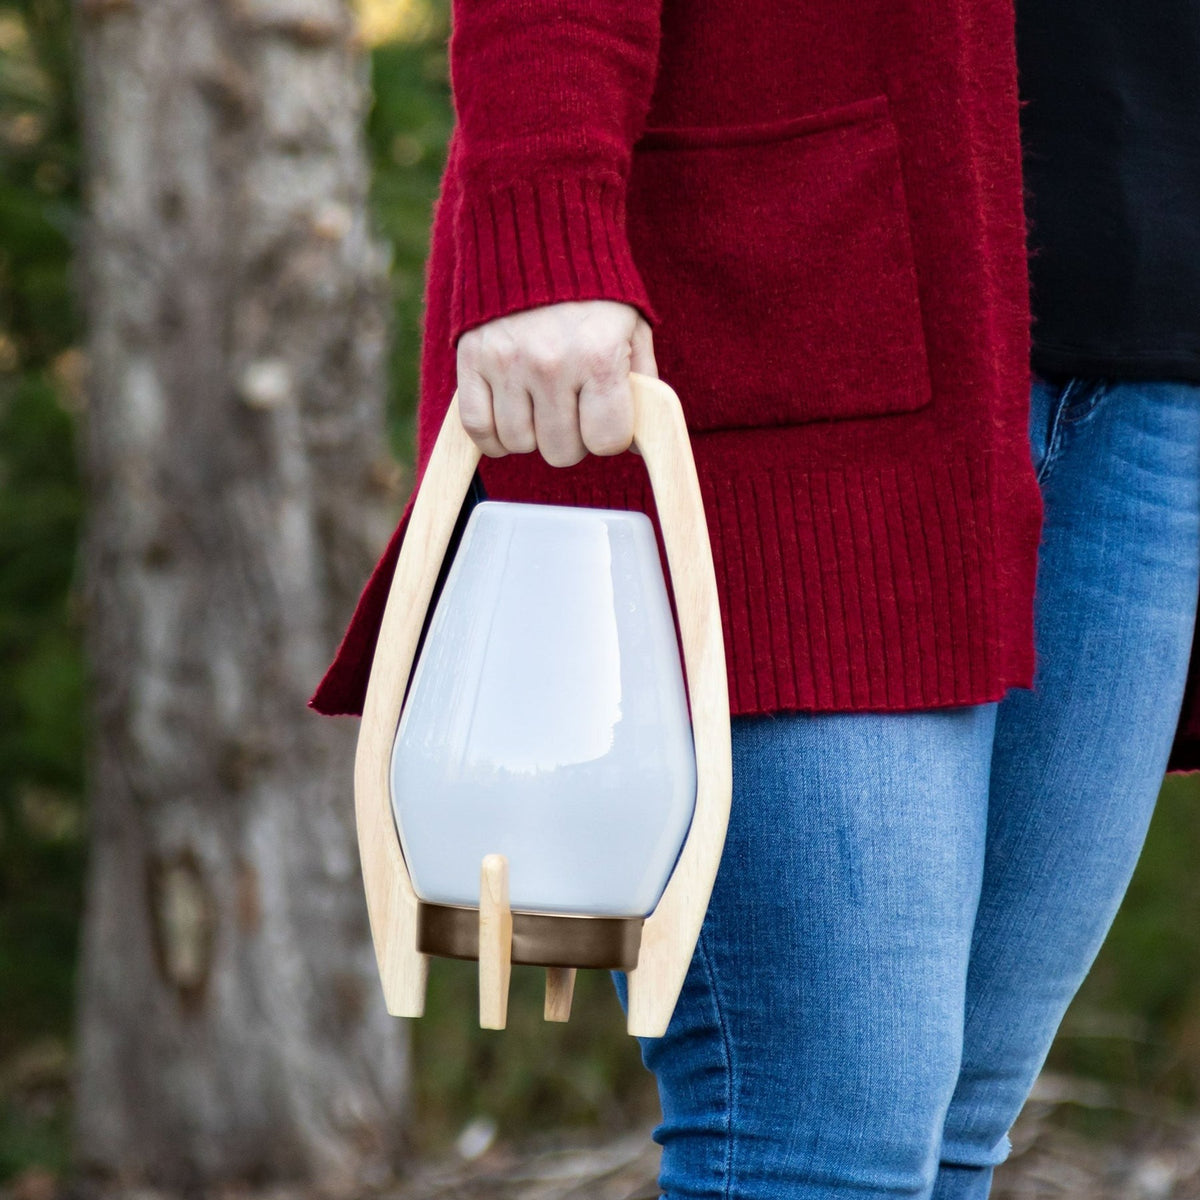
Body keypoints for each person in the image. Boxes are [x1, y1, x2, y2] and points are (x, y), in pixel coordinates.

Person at [309, 0, 1200, 1195]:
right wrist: (543, 217)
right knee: (825, 1135)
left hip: (1159, 364)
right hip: (795, 309)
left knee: (955, 1129)